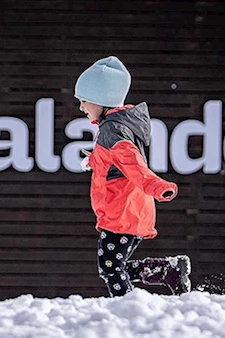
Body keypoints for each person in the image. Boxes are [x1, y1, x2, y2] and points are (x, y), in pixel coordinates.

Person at [75, 55, 192, 297]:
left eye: (84, 101)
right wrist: (94, 160)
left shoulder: (113, 130)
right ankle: (166, 271)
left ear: (100, 100)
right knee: (113, 266)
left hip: (123, 211)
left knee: (110, 268)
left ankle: (126, 305)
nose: (81, 107)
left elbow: (133, 165)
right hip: (128, 209)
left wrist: (157, 186)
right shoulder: (114, 126)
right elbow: (114, 161)